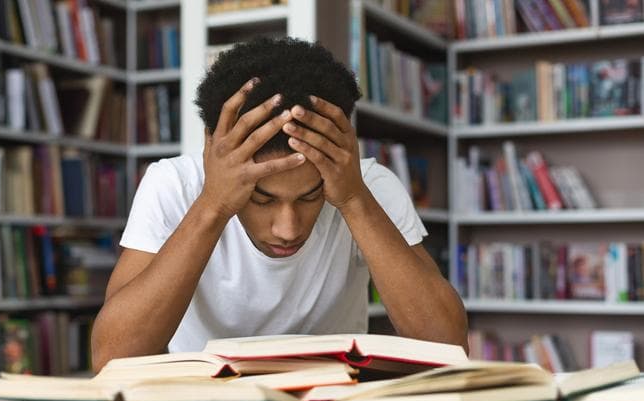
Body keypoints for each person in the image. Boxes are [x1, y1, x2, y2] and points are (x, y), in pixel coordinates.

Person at [91, 37, 467, 372]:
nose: (288, 229)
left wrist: (353, 199)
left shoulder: (367, 186)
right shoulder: (175, 184)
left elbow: (448, 347)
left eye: (310, 195)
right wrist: (213, 205)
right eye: (261, 197)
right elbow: (112, 358)